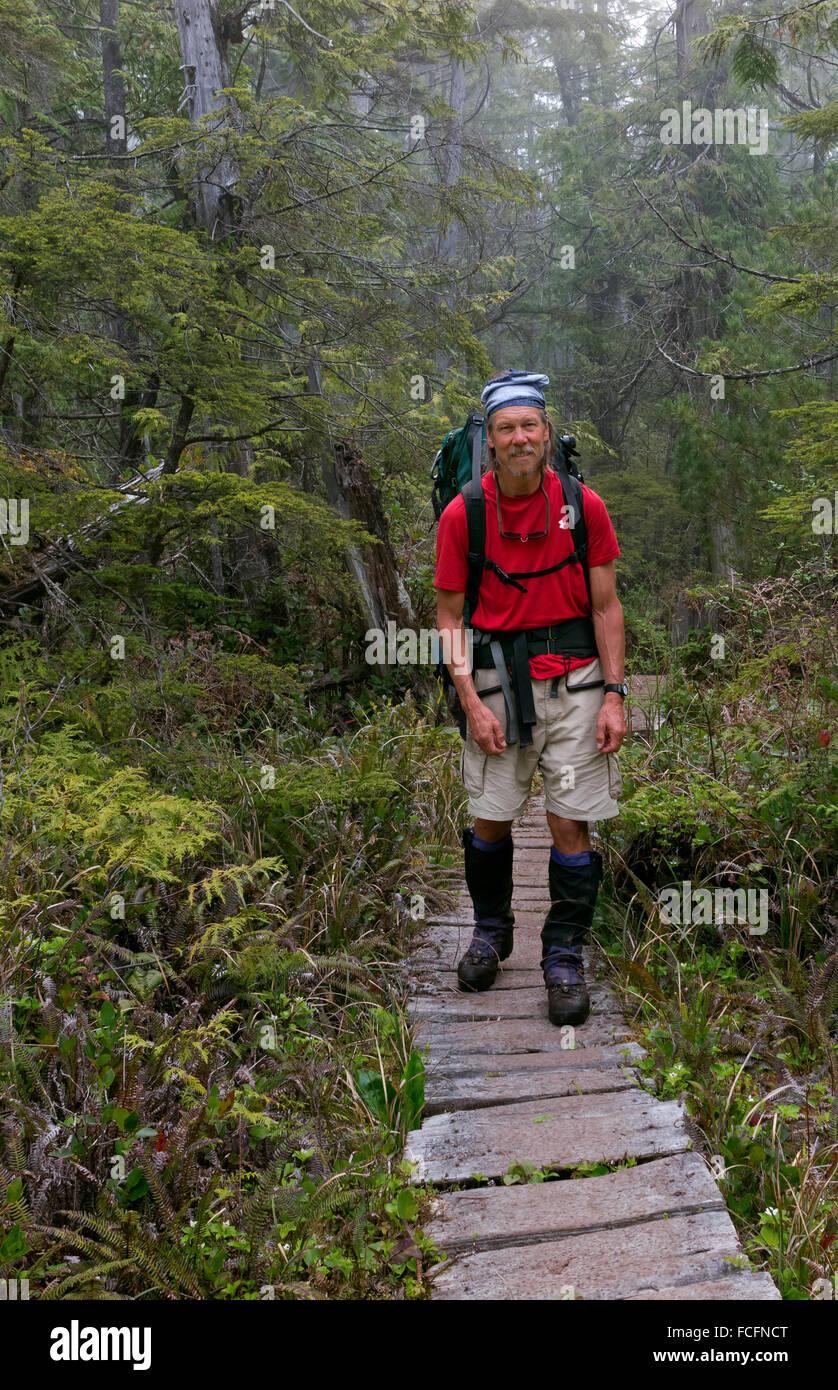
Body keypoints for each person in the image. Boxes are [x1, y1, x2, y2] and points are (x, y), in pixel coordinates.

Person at [434, 369, 627, 1026]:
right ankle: (491, 931)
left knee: (570, 820)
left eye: (529, 426)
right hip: (494, 680)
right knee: (490, 818)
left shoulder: (585, 506)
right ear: (490, 440)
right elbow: (450, 618)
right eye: (506, 428)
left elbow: (606, 605)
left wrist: (614, 694)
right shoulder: (466, 513)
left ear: (547, 433)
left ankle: (564, 954)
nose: (520, 438)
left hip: (575, 680)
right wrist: (471, 700)